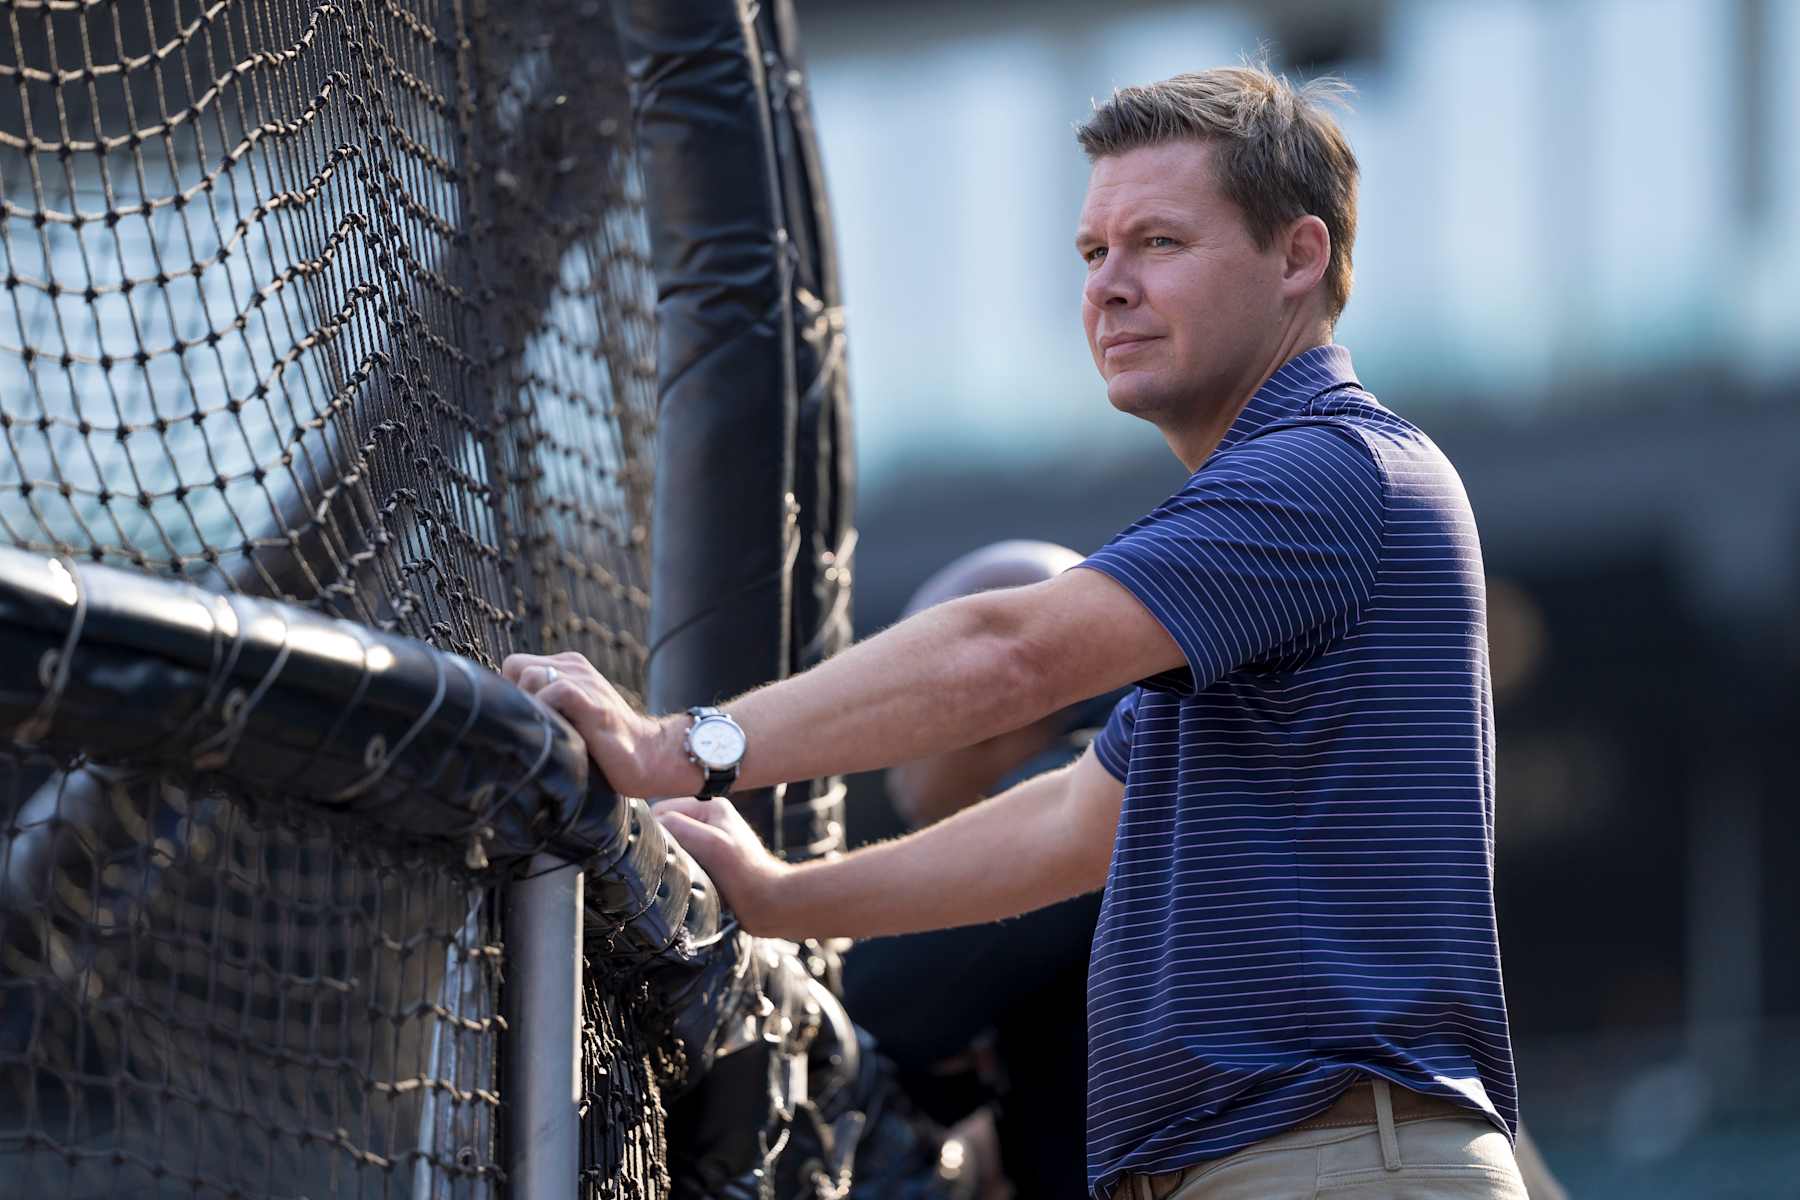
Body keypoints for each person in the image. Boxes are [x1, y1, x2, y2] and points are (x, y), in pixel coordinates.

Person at [506, 64, 1529, 1200]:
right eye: (1094, 255)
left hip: (1330, 1167)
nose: (1110, 289)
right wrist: (780, 893)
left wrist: (680, 748)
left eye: (1159, 244)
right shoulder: (1274, 528)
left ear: (1299, 258)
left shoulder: (1329, 470)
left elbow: (1011, 650)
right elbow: (1075, 819)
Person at [844, 539, 1118, 1200]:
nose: (883, 738)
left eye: (900, 690)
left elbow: (881, 997)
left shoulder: (1107, 771)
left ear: (991, 695)